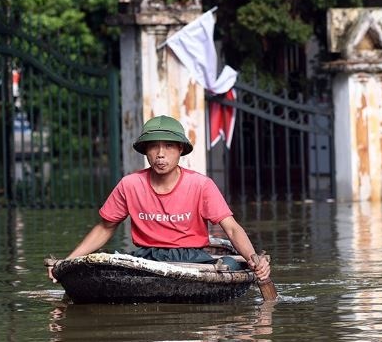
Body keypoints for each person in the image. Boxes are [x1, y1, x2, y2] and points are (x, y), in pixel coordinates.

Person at [48, 114, 271, 283]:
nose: (161, 154)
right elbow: (105, 227)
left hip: (192, 259)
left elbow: (231, 229)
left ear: (180, 149)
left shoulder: (201, 185)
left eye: (169, 146)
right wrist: (66, 262)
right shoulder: (130, 184)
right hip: (147, 258)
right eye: (154, 146)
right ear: (146, 151)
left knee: (232, 264)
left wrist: (253, 258)